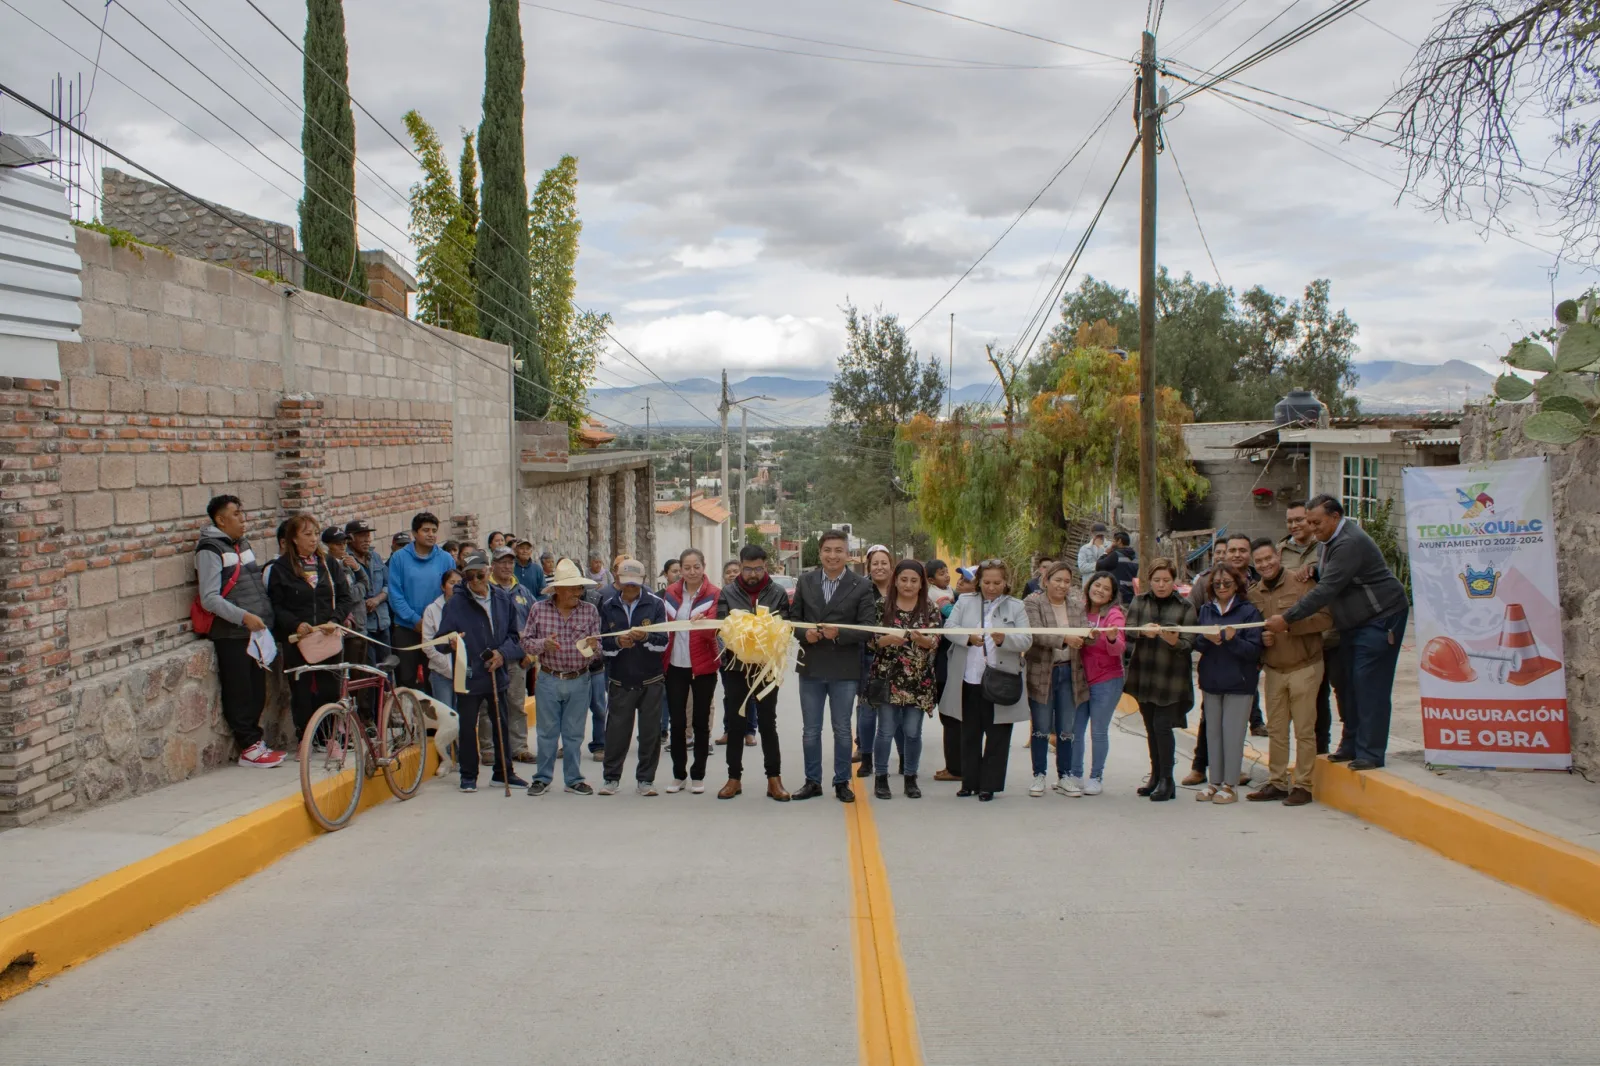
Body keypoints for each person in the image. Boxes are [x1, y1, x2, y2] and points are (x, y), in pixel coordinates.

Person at [1264, 494, 1409, 771]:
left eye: (1316, 522)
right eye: (1309, 522)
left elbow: (1326, 591)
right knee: (1348, 683)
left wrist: (1286, 619)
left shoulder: (1349, 543)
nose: (1312, 528)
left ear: (1335, 517)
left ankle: (1371, 751)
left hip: (1381, 617)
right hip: (1353, 623)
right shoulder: (1328, 541)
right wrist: (1314, 569)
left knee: (1369, 684)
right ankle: (1351, 744)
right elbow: (1328, 574)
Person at [195, 494, 283, 767]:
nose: (243, 520)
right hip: (231, 632)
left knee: (256, 690)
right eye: (236, 515)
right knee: (240, 691)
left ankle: (257, 743)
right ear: (221, 519)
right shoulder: (209, 550)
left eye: (242, 513)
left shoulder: (242, 544)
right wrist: (243, 616)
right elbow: (210, 597)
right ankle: (248, 748)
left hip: (254, 630)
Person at [791, 529, 877, 802]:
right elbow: (794, 622)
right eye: (828, 550)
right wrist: (807, 635)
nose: (833, 555)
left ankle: (842, 782)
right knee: (810, 730)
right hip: (812, 665)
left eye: (839, 550)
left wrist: (838, 633)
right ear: (820, 553)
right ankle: (812, 781)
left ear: (847, 554)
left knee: (842, 729)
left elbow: (867, 628)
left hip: (844, 668)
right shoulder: (805, 581)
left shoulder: (861, 585)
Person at [1247, 538, 1331, 806]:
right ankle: (1277, 782)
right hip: (1274, 670)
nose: (1265, 564)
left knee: (1305, 730)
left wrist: (1290, 626)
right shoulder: (1253, 594)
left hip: (1305, 666)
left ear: (1278, 556)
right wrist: (1263, 639)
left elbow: (1326, 618)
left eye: (1269, 558)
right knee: (1277, 730)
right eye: (1259, 561)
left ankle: (1304, 785)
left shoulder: (1302, 583)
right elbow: (1254, 631)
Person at [939, 559, 1032, 801]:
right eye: (987, 582)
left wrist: (1004, 641)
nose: (991, 587)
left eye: (997, 582)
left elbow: (1026, 640)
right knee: (969, 733)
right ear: (979, 582)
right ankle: (969, 782)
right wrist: (967, 637)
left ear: (1006, 582)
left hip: (1001, 679)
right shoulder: (965, 602)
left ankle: (989, 785)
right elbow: (949, 628)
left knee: (998, 735)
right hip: (969, 678)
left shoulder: (1016, 607)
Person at [437, 552, 527, 792]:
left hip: (496, 672)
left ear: (488, 572)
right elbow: (440, 641)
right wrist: (452, 642)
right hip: (468, 674)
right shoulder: (455, 603)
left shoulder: (502, 598)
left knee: (502, 723)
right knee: (468, 727)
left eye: (480, 574)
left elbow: (514, 637)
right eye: (471, 576)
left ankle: (503, 772)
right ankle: (469, 775)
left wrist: (502, 655)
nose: (476, 581)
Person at [267, 513, 354, 741]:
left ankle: (330, 737)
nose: (314, 539)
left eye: (316, 534)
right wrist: (296, 623)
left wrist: (334, 620)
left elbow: (345, 597)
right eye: (307, 534)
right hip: (298, 639)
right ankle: (305, 737)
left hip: (327, 637)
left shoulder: (329, 564)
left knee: (329, 689)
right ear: (294, 538)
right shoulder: (281, 568)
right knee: (301, 690)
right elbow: (276, 606)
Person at [715, 544, 792, 800]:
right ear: (741, 566)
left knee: (768, 724)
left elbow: (784, 629)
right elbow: (721, 630)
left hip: (767, 670)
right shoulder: (728, 592)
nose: (753, 574)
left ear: (765, 567)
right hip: (736, 668)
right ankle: (733, 779)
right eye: (748, 569)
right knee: (736, 724)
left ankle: (774, 780)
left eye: (758, 569)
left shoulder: (778, 593)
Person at [521, 559, 601, 796]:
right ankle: (542, 778)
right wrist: (543, 644)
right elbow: (526, 642)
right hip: (548, 678)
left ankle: (574, 779)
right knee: (546, 733)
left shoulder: (590, 611)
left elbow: (599, 650)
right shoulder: (538, 609)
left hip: (579, 678)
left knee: (574, 733)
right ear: (557, 589)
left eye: (579, 588)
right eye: (573, 588)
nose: (578, 593)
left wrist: (591, 647)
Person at [866, 560, 942, 800]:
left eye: (914, 580)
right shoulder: (880, 606)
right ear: (895, 581)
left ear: (922, 584)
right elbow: (869, 640)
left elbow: (937, 640)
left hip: (918, 680)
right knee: (886, 731)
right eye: (904, 579)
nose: (908, 585)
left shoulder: (929, 608)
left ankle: (911, 777)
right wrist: (885, 640)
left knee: (912, 732)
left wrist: (926, 642)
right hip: (888, 677)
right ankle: (881, 778)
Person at [1125, 558, 1196, 802]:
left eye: (1166, 580)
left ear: (1173, 581)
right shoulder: (1139, 601)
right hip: (1145, 672)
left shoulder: (1185, 606)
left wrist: (1173, 640)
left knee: (1162, 727)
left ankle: (1168, 779)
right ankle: (1155, 775)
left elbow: (1189, 643)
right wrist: (1142, 631)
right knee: (1150, 726)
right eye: (1156, 580)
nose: (1161, 585)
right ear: (1149, 581)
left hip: (1171, 676)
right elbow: (1128, 629)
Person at [597, 559, 669, 796]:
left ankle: (646, 780)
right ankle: (611, 778)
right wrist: (618, 642)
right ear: (617, 581)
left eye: (635, 585)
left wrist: (644, 638)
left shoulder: (656, 604)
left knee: (650, 733)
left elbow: (663, 642)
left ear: (643, 582)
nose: (630, 590)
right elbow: (603, 644)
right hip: (620, 680)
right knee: (616, 732)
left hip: (651, 680)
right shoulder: (607, 606)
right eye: (626, 584)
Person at [1195, 562, 1265, 804]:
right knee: (1212, 734)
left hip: (1239, 682)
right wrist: (1207, 640)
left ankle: (1231, 784)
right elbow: (1197, 643)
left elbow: (1254, 650)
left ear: (1237, 585)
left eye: (1227, 583)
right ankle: (1214, 782)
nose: (1222, 587)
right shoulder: (1206, 609)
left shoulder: (1248, 612)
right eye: (1217, 583)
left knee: (1232, 735)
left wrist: (1232, 640)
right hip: (1211, 681)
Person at [1280, 500, 1345, 755]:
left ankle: (1334, 748)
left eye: (1300, 520)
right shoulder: (1281, 551)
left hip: (1330, 635)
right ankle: (1313, 755)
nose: (1295, 525)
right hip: (1300, 639)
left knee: (1339, 692)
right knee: (1311, 700)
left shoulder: (1327, 547)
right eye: (1290, 521)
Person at [1022, 561, 1088, 797]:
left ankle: (1065, 776)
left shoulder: (1076, 605)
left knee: (1066, 728)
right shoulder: (1033, 602)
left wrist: (1089, 637)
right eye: (1057, 580)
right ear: (1046, 580)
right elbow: (1036, 633)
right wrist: (1065, 639)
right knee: (1040, 726)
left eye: (1067, 581)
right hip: (1042, 671)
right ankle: (1039, 775)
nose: (1062, 585)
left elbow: (1084, 630)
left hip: (1071, 671)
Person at [661, 549, 721, 787]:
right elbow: (663, 626)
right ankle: (678, 775)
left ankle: (698, 775)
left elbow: (716, 631)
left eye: (696, 566)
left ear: (703, 567)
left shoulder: (715, 594)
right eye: (687, 567)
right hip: (675, 666)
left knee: (700, 722)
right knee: (677, 723)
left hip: (704, 667)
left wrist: (704, 623)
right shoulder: (670, 594)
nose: (692, 571)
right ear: (681, 570)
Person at [1070, 571, 1126, 795]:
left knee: (1098, 731)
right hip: (1079, 679)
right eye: (1097, 585)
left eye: (1106, 589)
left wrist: (1111, 637)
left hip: (1107, 680)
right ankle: (1075, 774)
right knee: (1076, 730)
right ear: (1089, 585)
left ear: (1111, 595)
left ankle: (1096, 776)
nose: (1100, 590)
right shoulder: (1078, 610)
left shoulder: (1114, 615)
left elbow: (1119, 648)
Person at [387, 512, 456, 691]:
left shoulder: (446, 559)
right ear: (415, 533)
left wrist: (432, 623)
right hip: (407, 628)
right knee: (406, 678)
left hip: (437, 629)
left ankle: (434, 716)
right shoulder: (399, 558)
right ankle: (408, 716)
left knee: (435, 676)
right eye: (426, 530)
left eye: (434, 530)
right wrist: (414, 620)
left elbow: (453, 593)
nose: (431, 534)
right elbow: (395, 594)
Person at [489, 546, 538, 763]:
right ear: (493, 565)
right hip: (491, 658)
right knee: (488, 705)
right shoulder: (486, 590)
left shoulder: (523, 592)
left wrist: (532, 655)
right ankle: (490, 750)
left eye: (510, 562)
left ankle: (518, 747)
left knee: (516, 704)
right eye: (502, 562)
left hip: (518, 659)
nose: (507, 566)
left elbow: (536, 624)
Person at [855, 544, 896, 778]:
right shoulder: (861, 590)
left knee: (896, 710)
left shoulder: (901, 589)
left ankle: (900, 758)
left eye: (884, 563)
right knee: (867, 710)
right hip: (868, 656)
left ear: (891, 566)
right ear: (868, 567)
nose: (879, 568)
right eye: (875, 564)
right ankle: (866, 757)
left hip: (899, 659)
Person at [933, 565, 975, 782]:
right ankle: (955, 765)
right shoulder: (952, 601)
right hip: (944, 666)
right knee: (949, 718)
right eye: (961, 577)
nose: (960, 581)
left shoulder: (960, 607)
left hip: (956, 669)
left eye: (967, 580)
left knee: (953, 718)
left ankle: (957, 768)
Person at [344, 519, 390, 667]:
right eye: (362, 536)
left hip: (382, 622)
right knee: (367, 671)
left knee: (387, 668)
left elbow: (388, 585)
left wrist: (377, 599)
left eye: (368, 536)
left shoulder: (375, 556)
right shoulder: (345, 560)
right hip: (361, 627)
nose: (367, 540)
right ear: (350, 538)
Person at [422, 569, 462, 707]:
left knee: (463, 717)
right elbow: (428, 644)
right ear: (443, 586)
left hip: (464, 673)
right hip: (440, 673)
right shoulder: (431, 610)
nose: (456, 586)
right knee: (446, 717)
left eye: (459, 583)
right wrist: (445, 665)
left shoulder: (467, 608)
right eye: (451, 583)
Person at [1108, 532, 1139, 605]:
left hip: (1118, 594)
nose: (1112, 543)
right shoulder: (1136, 557)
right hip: (1131, 593)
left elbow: (1099, 565)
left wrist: (1106, 552)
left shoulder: (1115, 555)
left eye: (1114, 541)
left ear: (1119, 541)